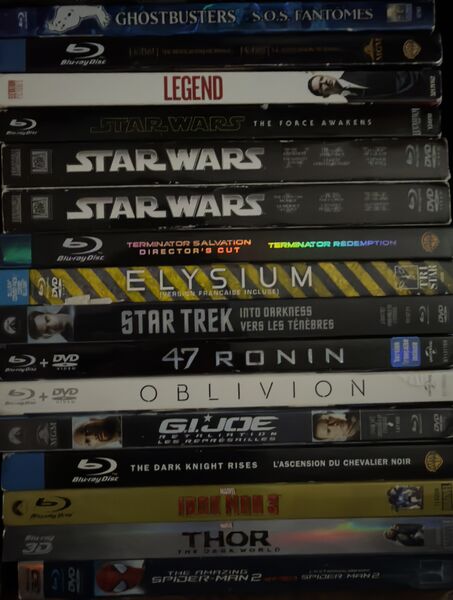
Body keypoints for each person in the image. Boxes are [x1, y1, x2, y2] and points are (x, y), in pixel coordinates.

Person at [307, 71, 424, 101]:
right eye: (321, 86)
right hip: (416, 97)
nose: (324, 82)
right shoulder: (352, 101)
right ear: (325, 95)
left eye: (322, 79)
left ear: (326, 75)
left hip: (419, 76)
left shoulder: (352, 68)